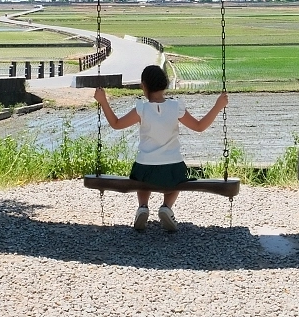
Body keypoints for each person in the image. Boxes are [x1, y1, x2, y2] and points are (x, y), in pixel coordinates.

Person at [93, 64, 229, 232]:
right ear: (164, 84)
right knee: (178, 179)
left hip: (145, 170)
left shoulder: (141, 109)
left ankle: (143, 206)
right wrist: (218, 105)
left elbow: (116, 124)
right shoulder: (175, 107)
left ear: (144, 86)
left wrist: (103, 101)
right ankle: (166, 206)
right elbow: (199, 127)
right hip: (172, 170)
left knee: (141, 178)